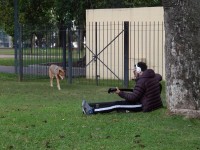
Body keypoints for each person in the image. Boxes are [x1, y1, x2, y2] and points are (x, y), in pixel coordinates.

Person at [82, 62, 163, 115]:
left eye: (134, 70)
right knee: (118, 103)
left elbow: (133, 97)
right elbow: (146, 91)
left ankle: (92, 111)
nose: (134, 73)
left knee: (117, 105)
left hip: (143, 105)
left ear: (139, 71)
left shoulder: (142, 81)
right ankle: (91, 105)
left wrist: (120, 93)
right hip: (151, 104)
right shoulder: (153, 77)